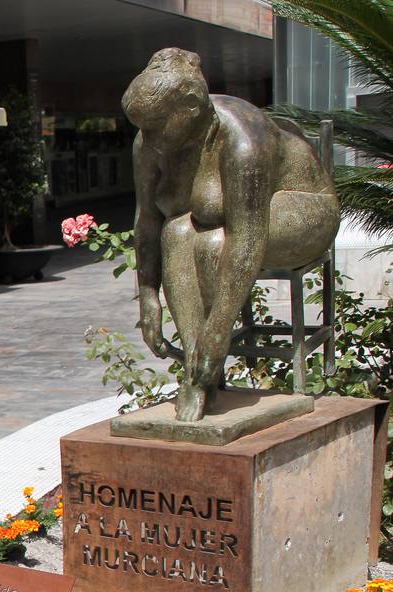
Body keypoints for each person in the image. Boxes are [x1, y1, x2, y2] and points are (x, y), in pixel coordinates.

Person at [123, 48, 340, 422]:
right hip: (237, 226)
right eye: (143, 128)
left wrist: (219, 330)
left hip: (299, 207)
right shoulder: (149, 142)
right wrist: (147, 297)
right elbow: (147, 222)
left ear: (191, 108)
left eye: (158, 126)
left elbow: (247, 237)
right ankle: (197, 372)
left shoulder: (243, 140)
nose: (150, 139)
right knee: (175, 232)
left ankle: (207, 361)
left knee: (212, 242)